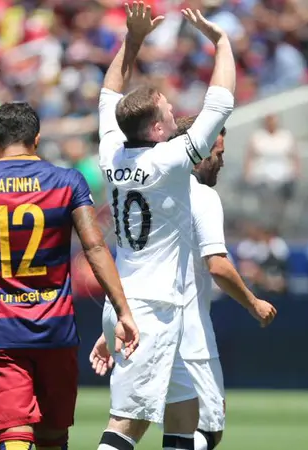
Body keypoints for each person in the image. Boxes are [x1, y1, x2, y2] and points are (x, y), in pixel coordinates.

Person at [0, 102, 139, 450]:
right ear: (36, 139)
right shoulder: (68, 182)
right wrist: (123, 310)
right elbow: (95, 248)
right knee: (52, 436)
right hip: (56, 328)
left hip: (0, 329)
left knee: (14, 430)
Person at [95, 3, 236, 450]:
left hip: (141, 303)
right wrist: (222, 43)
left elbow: (108, 96)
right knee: (127, 424)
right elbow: (221, 102)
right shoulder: (170, 160)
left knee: (184, 415)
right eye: (166, 107)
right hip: (148, 311)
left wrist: (132, 42)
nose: (174, 107)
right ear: (157, 128)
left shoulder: (112, 152)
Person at [90, 115, 276, 450]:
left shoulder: (150, 188)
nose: (220, 160)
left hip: (146, 318)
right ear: (200, 149)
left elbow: (134, 262)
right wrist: (254, 302)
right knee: (181, 427)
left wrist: (113, 325)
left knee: (154, 424)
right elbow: (218, 266)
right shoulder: (200, 196)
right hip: (187, 335)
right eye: (216, 152)